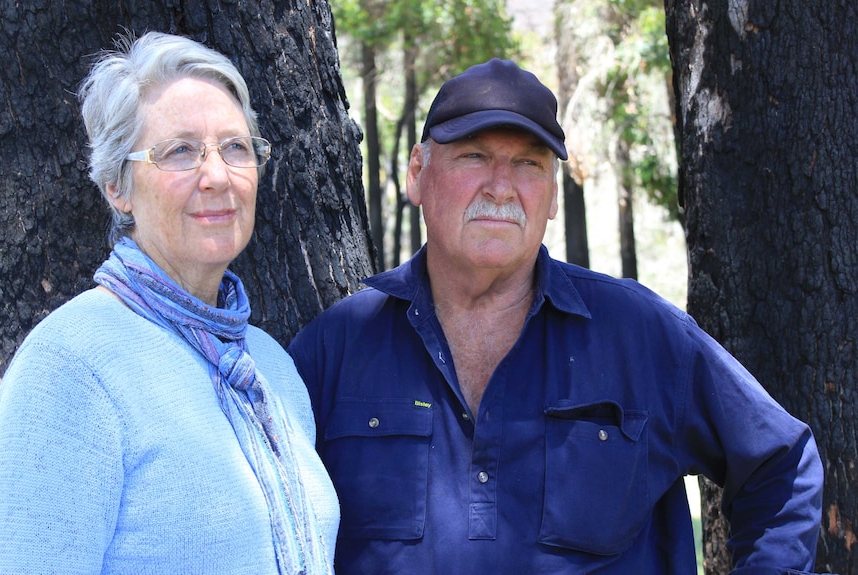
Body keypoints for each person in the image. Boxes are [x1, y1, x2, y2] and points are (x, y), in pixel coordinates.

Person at [288, 59, 825, 574]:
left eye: (529, 164)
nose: (502, 187)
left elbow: (783, 463)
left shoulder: (637, 335)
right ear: (417, 173)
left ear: (550, 197)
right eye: (474, 156)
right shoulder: (336, 348)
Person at [0, 32, 337, 574]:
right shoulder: (69, 369)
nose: (218, 176)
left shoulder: (271, 367)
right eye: (180, 151)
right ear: (116, 185)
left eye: (236, 147)